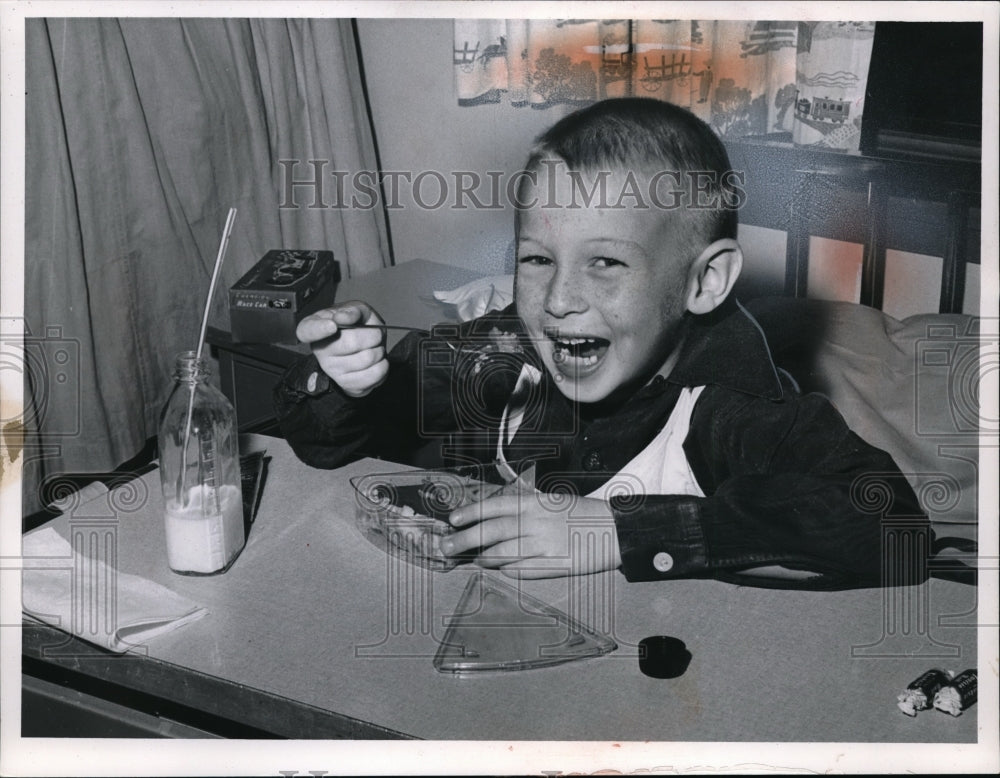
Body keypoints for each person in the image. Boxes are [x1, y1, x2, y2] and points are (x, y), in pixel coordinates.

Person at [274, 97, 930, 589]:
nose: (559, 300)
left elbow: (891, 522)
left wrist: (619, 531)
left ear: (704, 282)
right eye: (536, 260)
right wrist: (350, 382)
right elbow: (330, 437)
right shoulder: (513, 347)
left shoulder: (730, 406)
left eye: (606, 264)